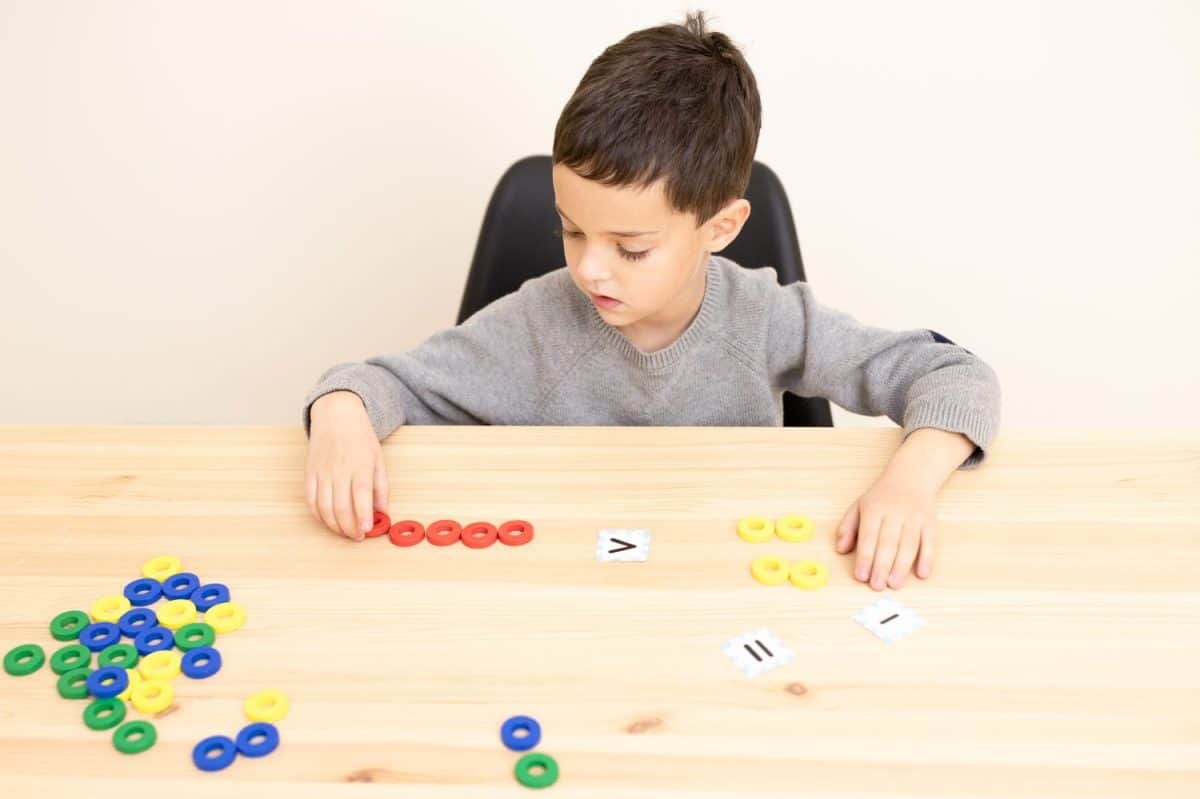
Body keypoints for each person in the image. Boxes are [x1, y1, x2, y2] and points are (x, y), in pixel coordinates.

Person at [301, 11, 1001, 592]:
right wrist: (340, 416)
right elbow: (373, 383)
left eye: (631, 248)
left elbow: (956, 375)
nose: (588, 267)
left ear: (719, 228)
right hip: (568, 591)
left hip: (727, 585)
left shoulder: (766, 317)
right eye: (570, 229)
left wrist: (909, 484)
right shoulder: (533, 323)